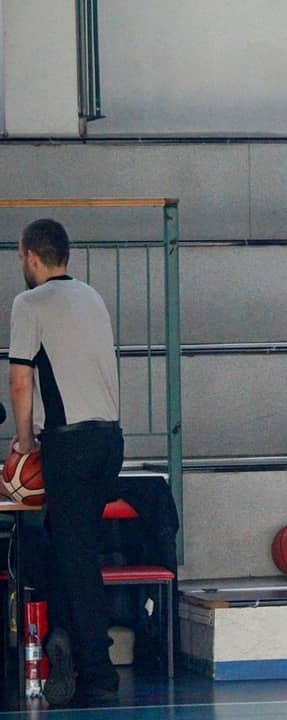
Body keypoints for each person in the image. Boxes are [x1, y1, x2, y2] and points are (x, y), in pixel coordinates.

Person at [7, 219, 124, 705]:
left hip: (69, 443)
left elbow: (20, 381)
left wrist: (23, 442)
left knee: (76, 559)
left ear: (32, 257)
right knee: (66, 548)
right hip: (110, 440)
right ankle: (64, 637)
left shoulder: (29, 303)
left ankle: (98, 670)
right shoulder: (92, 298)